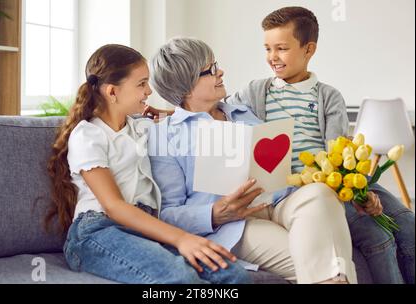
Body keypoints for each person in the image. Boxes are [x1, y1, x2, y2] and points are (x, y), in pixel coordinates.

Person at [225, 6, 415, 284]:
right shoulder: (255, 92)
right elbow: (217, 108)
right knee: (379, 237)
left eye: (281, 48)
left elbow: (338, 151)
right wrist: (169, 113)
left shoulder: (328, 97)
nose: (272, 57)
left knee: (407, 222)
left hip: (341, 178)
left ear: (308, 49)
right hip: (308, 189)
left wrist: (361, 194)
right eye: (267, 48)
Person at [148, 37, 358, 284]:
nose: (221, 72)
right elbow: (168, 213)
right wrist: (214, 213)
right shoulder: (166, 136)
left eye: (217, 64)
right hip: (238, 223)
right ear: (186, 87)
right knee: (323, 261)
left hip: (281, 200)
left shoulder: (241, 111)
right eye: (211, 70)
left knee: (320, 194)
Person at [44, 44, 252, 284]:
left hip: (142, 229)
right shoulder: (89, 135)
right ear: (112, 92)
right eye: (142, 84)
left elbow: (181, 120)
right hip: (99, 231)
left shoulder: (140, 128)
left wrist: (166, 112)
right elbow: (114, 206)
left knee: (233, 273)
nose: (149, 90)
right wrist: (182, 238)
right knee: (179, 277)